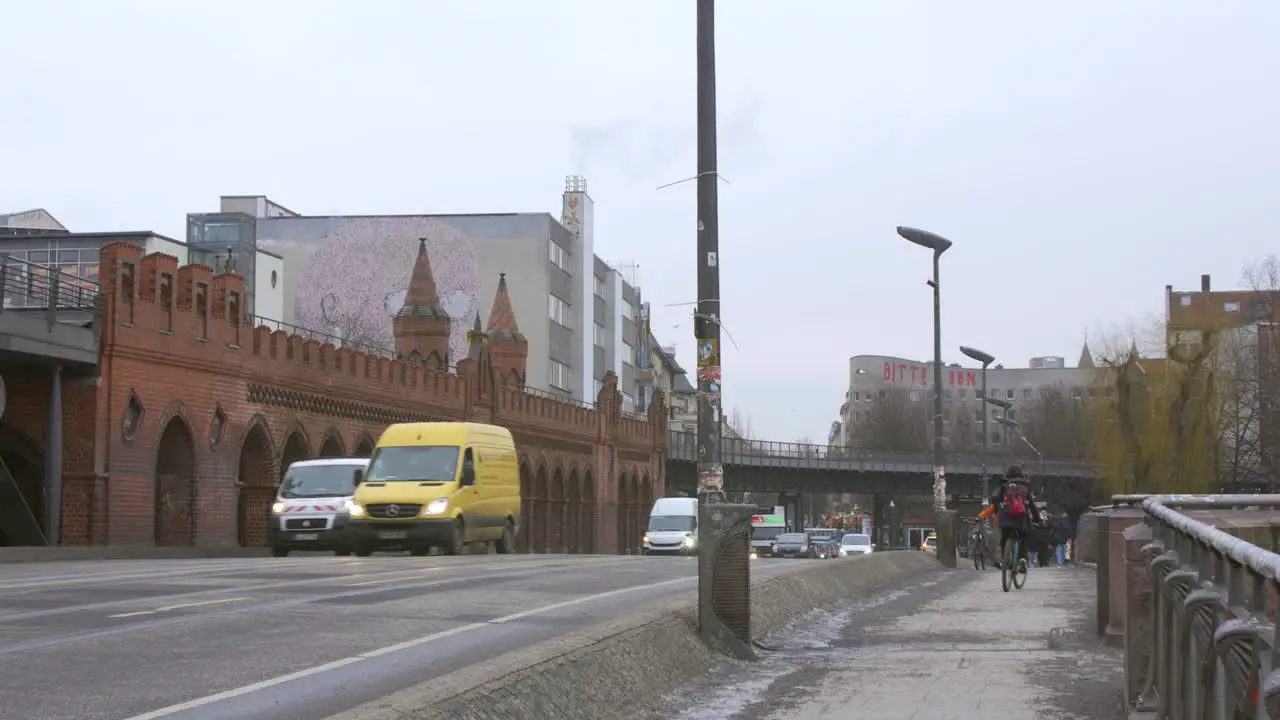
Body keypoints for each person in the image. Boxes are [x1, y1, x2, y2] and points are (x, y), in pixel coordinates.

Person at [976, 465, 1041, 570]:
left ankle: (1006, 560)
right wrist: (1037, 519)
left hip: (1006, 518)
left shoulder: (1004, 483)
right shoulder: (1025, 485)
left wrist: (998, 511)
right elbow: (1032, 505)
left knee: (1004, 538)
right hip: (1021, 518)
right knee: (1023, 537)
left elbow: (995, 498)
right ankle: (1022, 560)